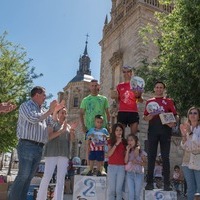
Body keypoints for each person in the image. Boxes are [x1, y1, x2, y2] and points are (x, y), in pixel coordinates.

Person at [8, 86, 62, 200]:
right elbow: (33, 119)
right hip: (27, 145)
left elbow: (52, 124)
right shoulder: (26, 106)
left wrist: (55, 112)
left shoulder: (42, 110)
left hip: (38, 147)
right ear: (36, 95)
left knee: (29, 177)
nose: (45, 97)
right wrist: (50, 111)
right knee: (23, 175)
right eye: (43, 95)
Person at [36, 107, 77, 200]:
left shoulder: (68, 126)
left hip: (64, 154)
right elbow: (49, 137)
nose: (63, 115)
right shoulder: (53, 124)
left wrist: (72, 131)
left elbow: (72, 140)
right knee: (47, 176)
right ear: (58, 114)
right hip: (51, 153)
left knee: (61, 179)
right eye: (62, 113)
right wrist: (61, 131)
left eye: (65, 113)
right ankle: (40, 198)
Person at [143, 81, 177, 191]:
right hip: (152, 131)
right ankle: (149, 183)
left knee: (165, 157)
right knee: (151, 157)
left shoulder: (169, 101)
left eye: (161, 87)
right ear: (154, 89)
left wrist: (172, 123)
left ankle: (166, 184)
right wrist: (150, 116)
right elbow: (145, 117)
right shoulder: (149, 101)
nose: (159, 89)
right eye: (157, 87)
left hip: (165, 132)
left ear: (164, 89)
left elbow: (175, 117)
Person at [80, 79, 110, 161]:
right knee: (89, 146)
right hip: (90, 127)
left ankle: (101, 168)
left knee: (102, 147)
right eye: (92, 85)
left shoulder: (104, 99)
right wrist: (83, 125)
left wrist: (109, 124)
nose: (94, 87)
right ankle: (88, 167)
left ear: (99, 86)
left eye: (95, 85)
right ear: (89, 87)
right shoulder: (85, 100)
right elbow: (81, 113)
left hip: (101, 127)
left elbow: (107, 112)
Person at [111, 66, 143, 135]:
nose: (126, 73)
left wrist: (138, 95)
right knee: (120, 136)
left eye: (128, 71)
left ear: (131, 73)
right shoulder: (119, 86)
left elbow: (141, 100)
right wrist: (115, 97)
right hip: (122, 112)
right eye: (124, 72)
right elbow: (118, 101)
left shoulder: (136, 85)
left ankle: (132, 146)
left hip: (133, 112)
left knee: (133, 136)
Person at [180, 107, 200, 200]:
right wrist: (184, 135)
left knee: (199, 189)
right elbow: (184, 146)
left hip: (198, 160)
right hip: (187, 161)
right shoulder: (187, 127)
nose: (192, 115)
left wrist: (190, 133)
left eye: (195, 113)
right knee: (190, 188)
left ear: (199, 116)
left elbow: (198, 144)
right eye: (190, 113)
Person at [107, 123, 126, 200]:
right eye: (117, 130)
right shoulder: (110, 141)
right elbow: (109, 154)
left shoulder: (125, 142)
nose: (119, 132)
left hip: (121, 167)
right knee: (112, 190)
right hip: (112, 167)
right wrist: (116, 144)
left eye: (120, 130)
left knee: (118, 190)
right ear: (114, 132)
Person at [124, 134, 147, 200]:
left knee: (137, 194)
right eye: (128, 140)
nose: (130, 142)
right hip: (129, 174)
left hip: (138, 174)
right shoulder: (127, 151)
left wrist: (138, 162)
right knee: (131, 193)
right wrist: (128, 151)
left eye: (131, 140)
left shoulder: (141, 152)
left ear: (136, 141)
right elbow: (125, 161)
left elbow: (145, 163)